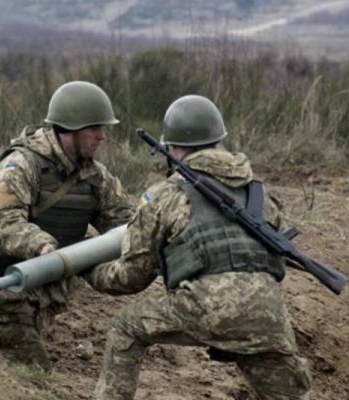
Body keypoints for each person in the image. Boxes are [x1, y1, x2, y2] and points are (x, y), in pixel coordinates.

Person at [84, 95, 312, 399]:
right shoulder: (259, 191)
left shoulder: (164, 196)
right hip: (266, 315)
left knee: (125, 328)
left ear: (172, 148)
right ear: (218, 140)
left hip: (200, 310)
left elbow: (130, 278)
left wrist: (90, 270)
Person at [0, 80, 134, 370]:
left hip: (44, 289)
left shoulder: (95, 177)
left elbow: (127, 222)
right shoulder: (20, 165)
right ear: (70, 129)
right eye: (94, 129)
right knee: (36, 375)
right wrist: (39, 244)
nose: (102, 136)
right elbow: (2, 222)